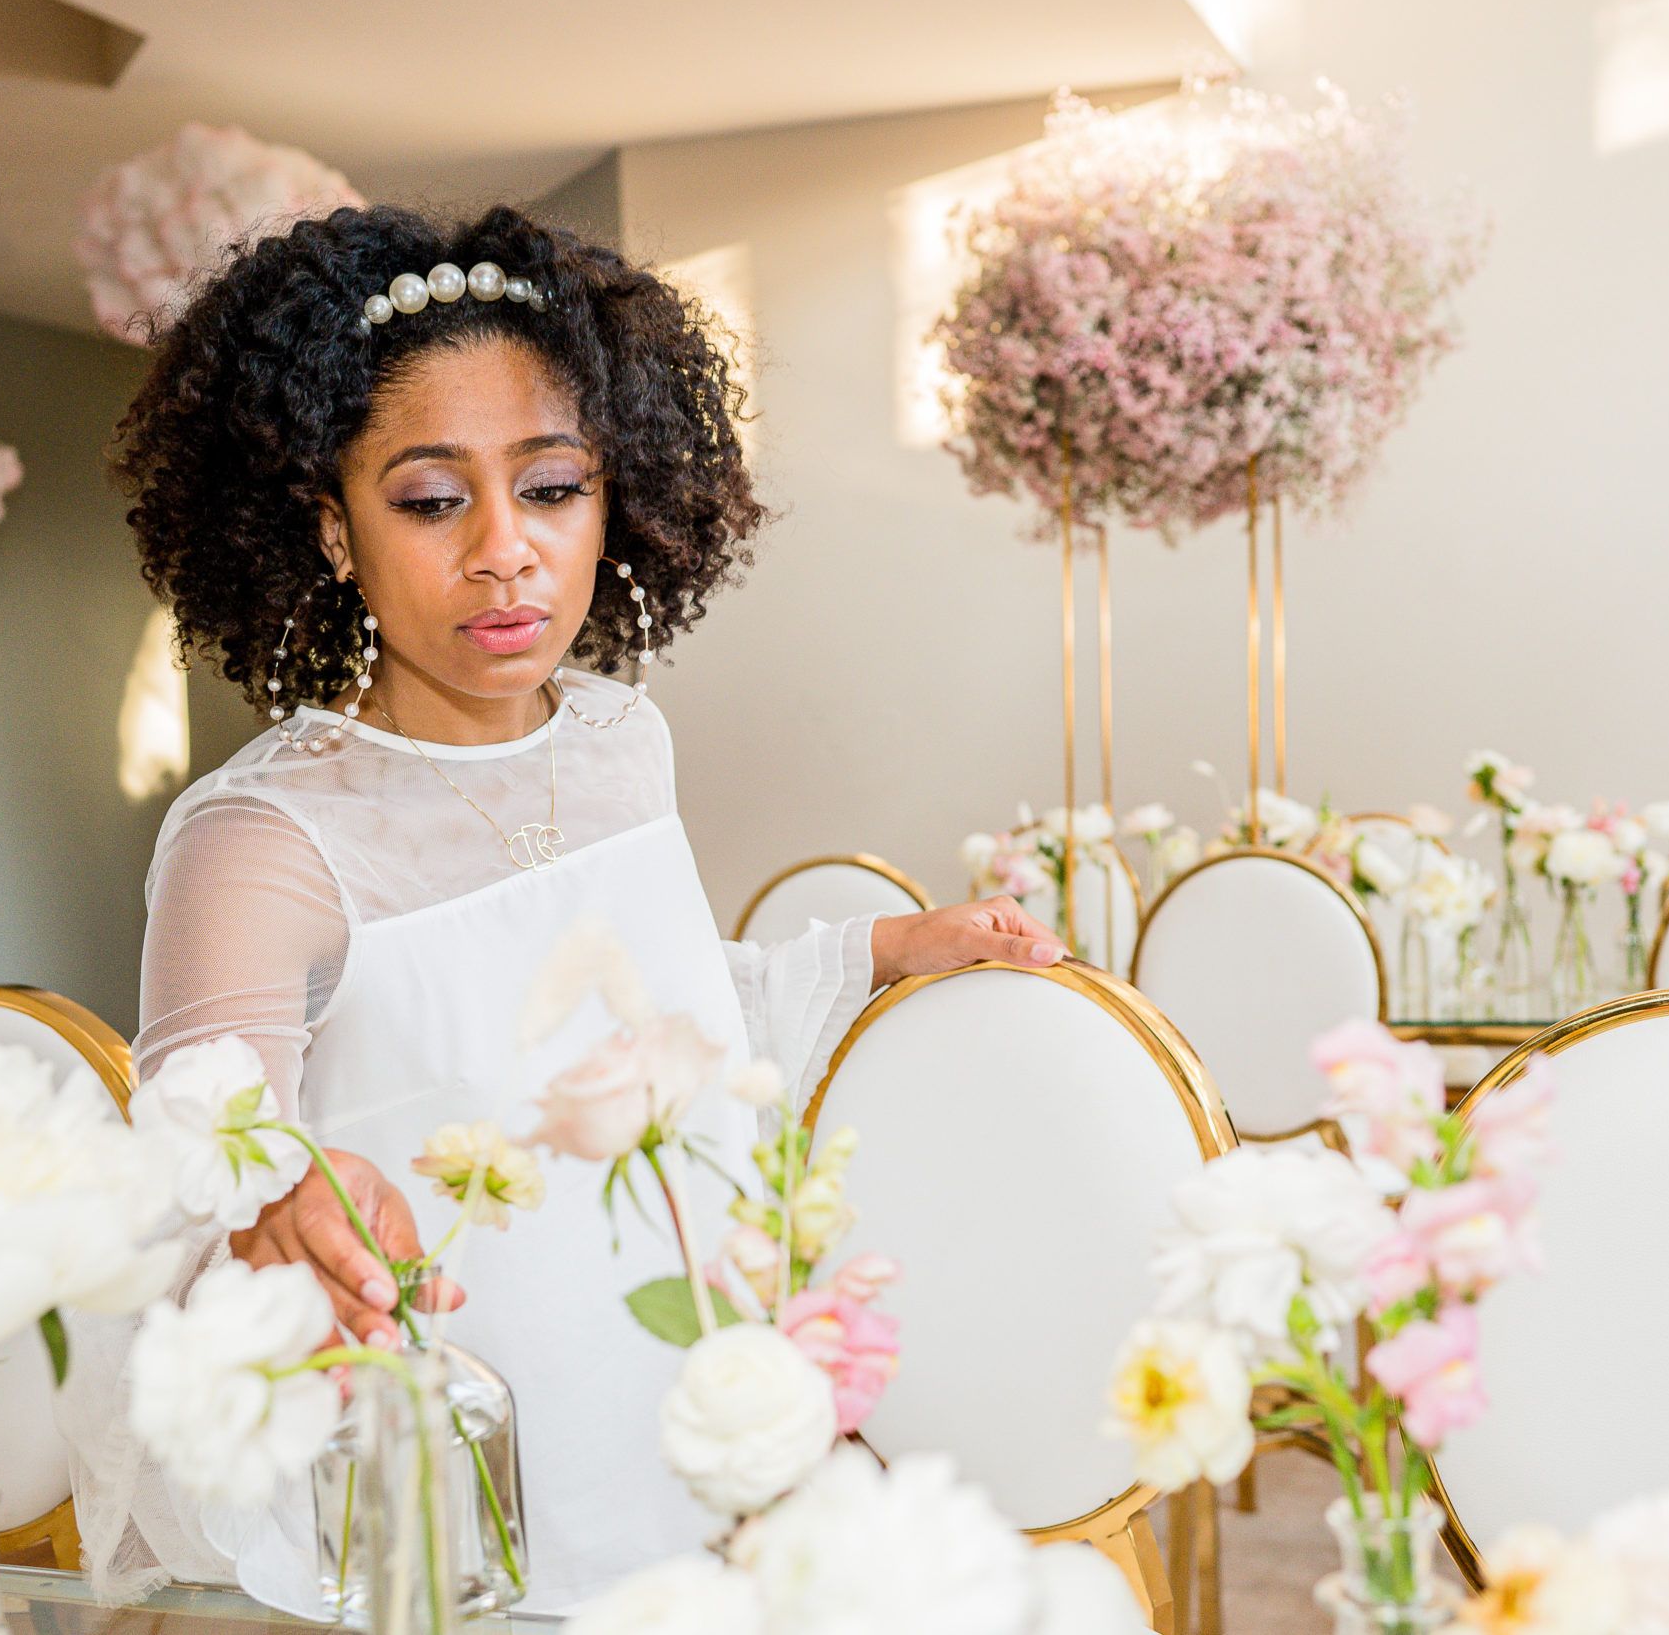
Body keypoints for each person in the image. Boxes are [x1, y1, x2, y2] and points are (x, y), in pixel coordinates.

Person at [64, 202, 1061, 1612]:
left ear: (617, 492)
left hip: (665, 1377)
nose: (504, 552)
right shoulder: (261, 840)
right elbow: (186, 1164)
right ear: (329, 527)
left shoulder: (615, 741)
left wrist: (882, 948)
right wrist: (283, 1181)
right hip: (450, 1429)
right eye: (428, 499)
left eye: (549, 488)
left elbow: (651, 1015)